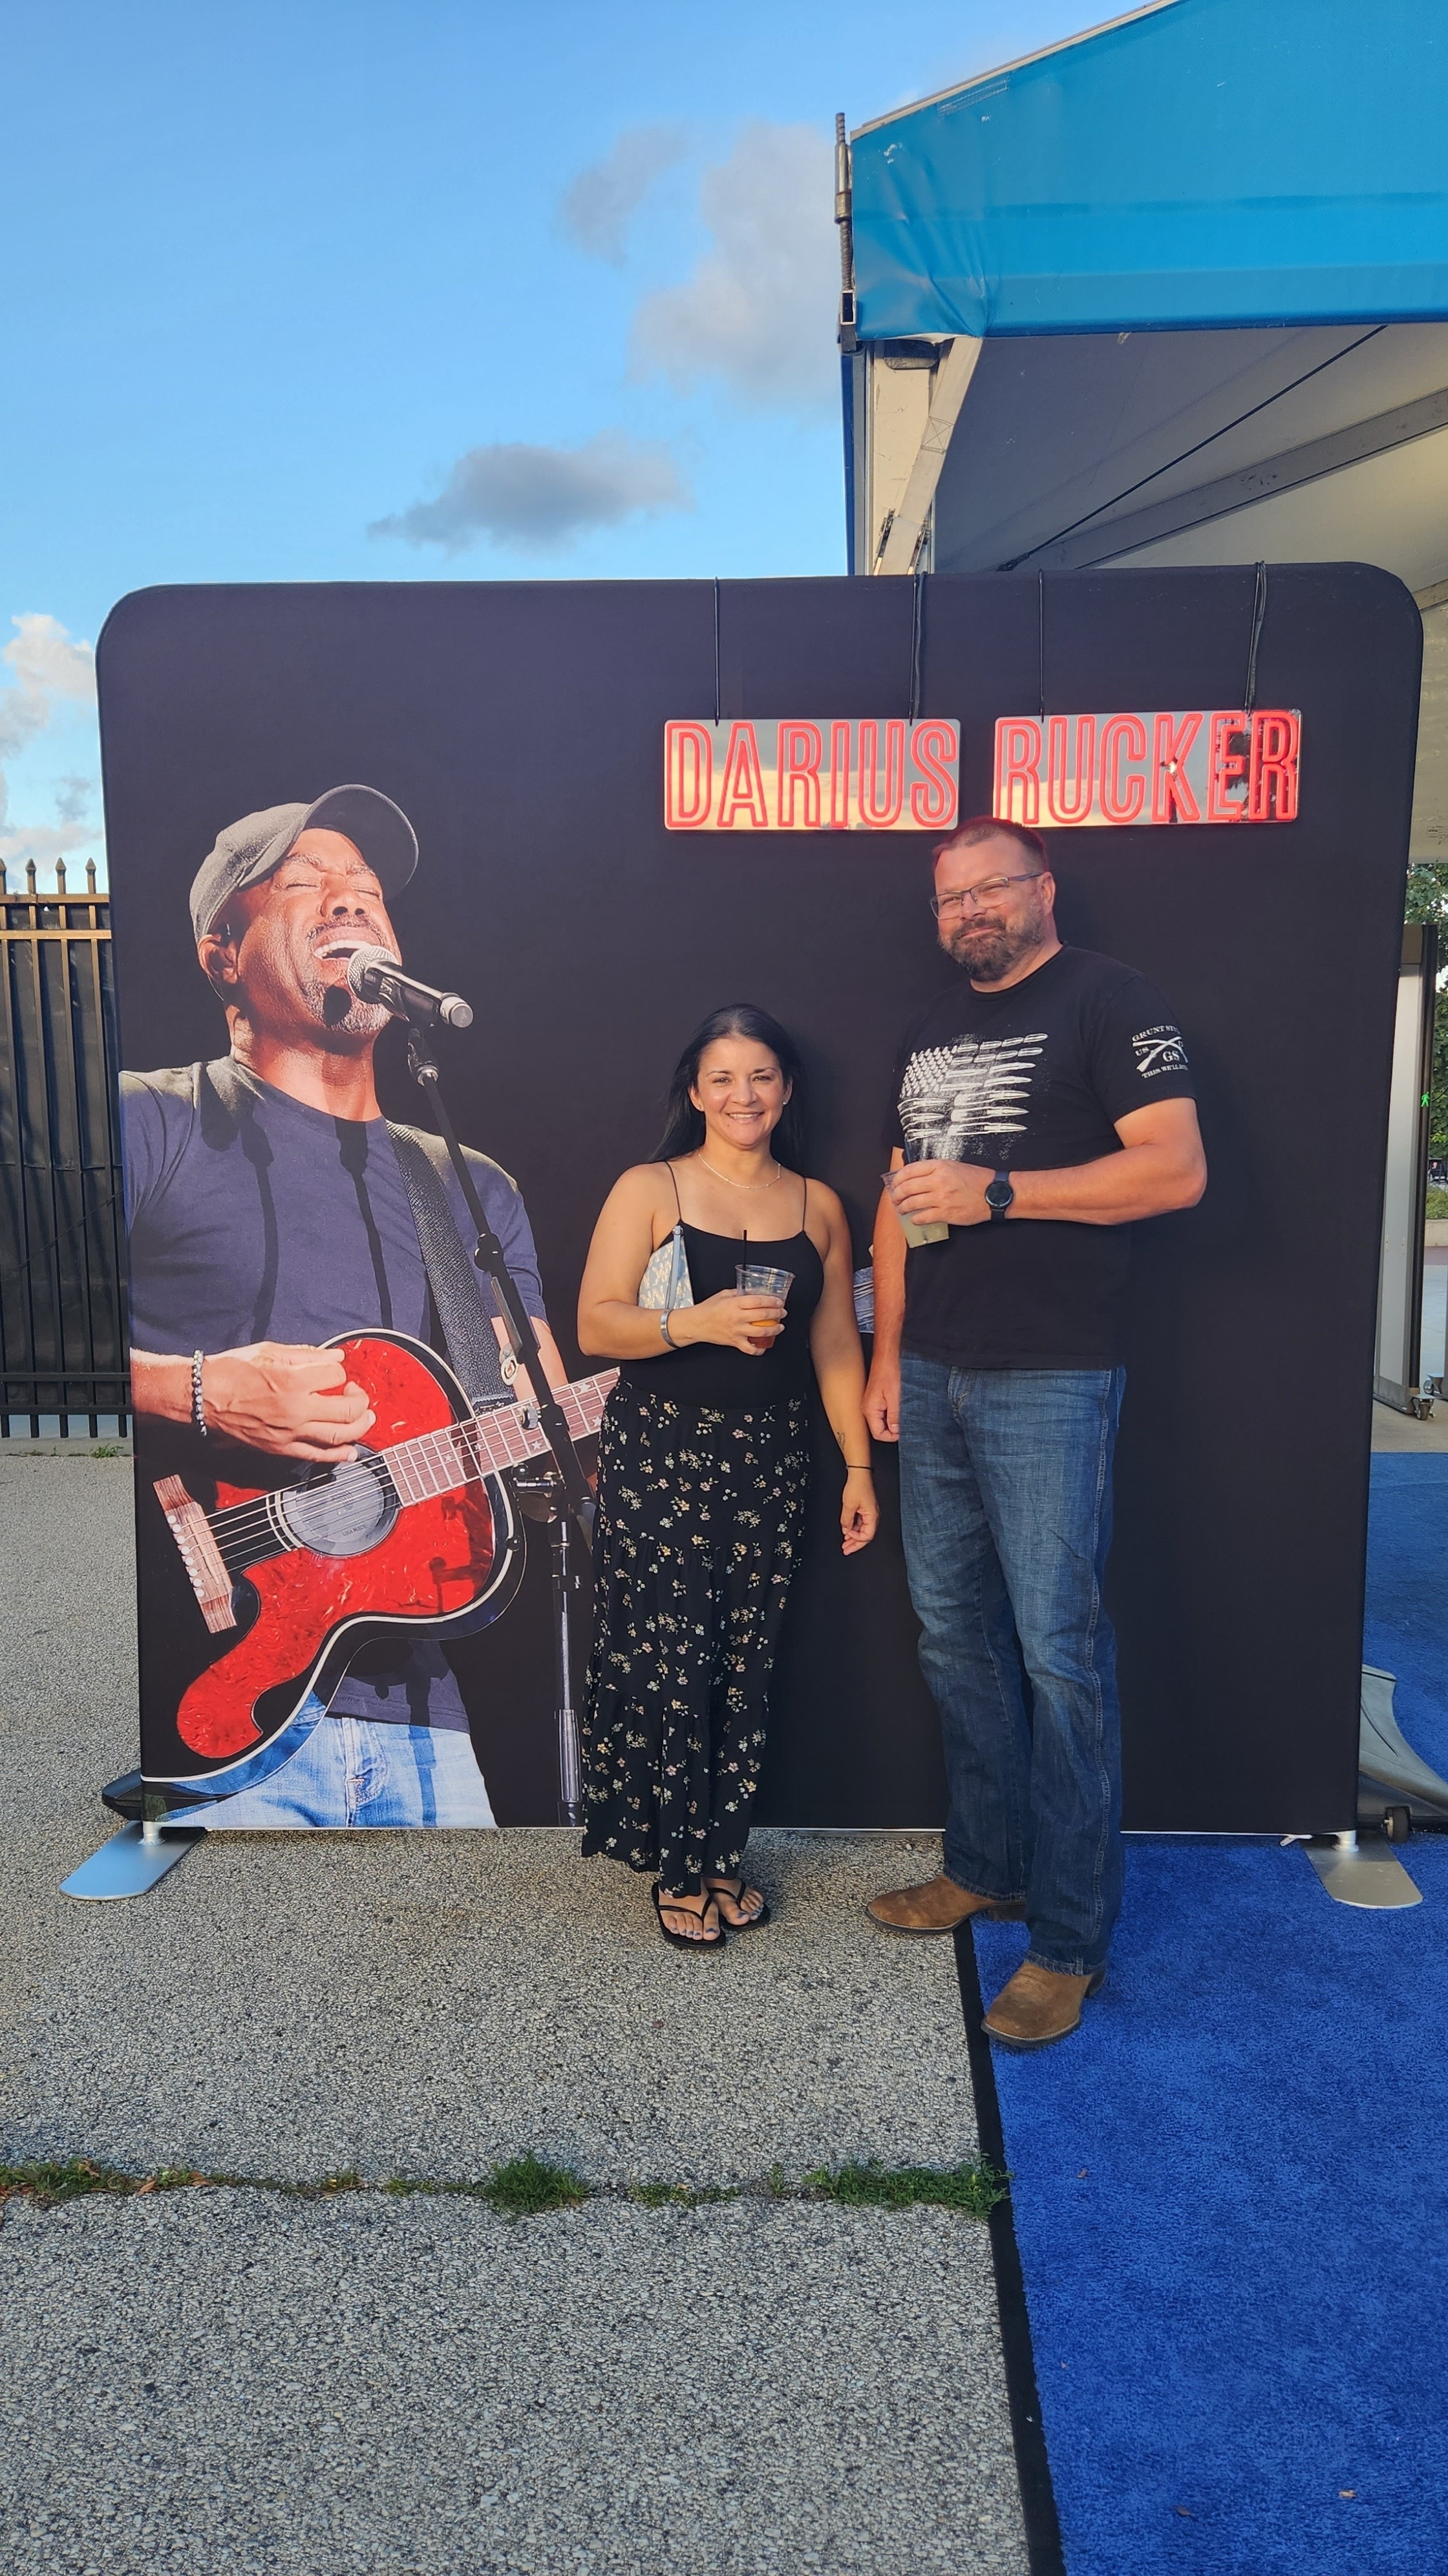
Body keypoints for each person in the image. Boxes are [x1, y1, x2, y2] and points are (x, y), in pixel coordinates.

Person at [123, 785, 571, 1828]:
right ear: (221, 954)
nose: (350, 900)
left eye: (366, 888)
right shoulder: (148, 1119)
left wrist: (573, 1450)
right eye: (305, 883)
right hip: (214, 1708)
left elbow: (537, 1414)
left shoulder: (469, 1184)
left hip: (422, 1719)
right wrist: (197, 1391)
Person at [864, 818, 1206, 2047]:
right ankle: (985, 1865)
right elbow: (900, 1201)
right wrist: (887, 1355)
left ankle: (1066, 1941)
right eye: (950, 897)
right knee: (955, 1637)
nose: (970, 911)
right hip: (933, 1370)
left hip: (1053, 1375)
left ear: (1043, 889)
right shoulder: (923, 1030)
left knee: (1058, 1655)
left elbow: (1175, 1170)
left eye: (991, 888)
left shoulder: (1114, 1000)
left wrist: (1002, 1190)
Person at [575, 1005, 879, 1947]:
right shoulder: (651, 1187)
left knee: (747, 1661)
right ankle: (674, 1868)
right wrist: (694, 1323)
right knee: (672, 1656)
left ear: (786, 1089)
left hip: (771, 1456)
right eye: (722, 1078)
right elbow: (595, 1323)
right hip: (661, 1451)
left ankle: (720, 1855)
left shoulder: (819, 1205)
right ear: (696, 1092)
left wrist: (857, 1465)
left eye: (761, 1076)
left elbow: (835, 1343)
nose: (743, 1095)